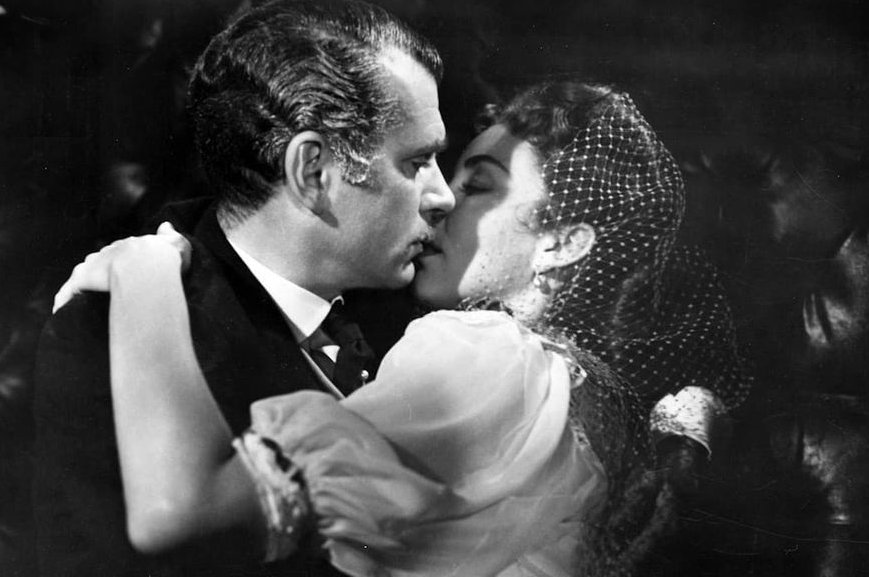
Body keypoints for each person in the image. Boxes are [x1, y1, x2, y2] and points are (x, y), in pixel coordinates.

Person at [56, 81, 747, 576]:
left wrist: (145, 269)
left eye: (479, 185)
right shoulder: (590, 398)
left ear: (562, 243)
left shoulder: (491, 354)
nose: (440, 201)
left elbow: (179, 513)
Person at [31, 0, 455, 577]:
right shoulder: (107, 333)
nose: (443, 196)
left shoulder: (407, 317)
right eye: (416, 162)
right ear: (313, 171)